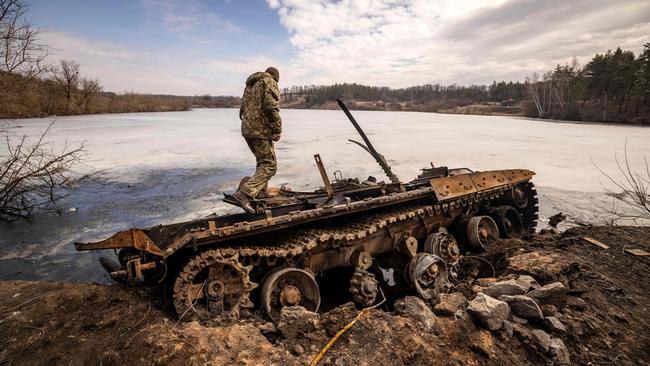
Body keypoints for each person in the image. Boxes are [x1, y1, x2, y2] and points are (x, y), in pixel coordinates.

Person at [231, 67, 282, 213]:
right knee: (270, 166)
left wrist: (249, 124)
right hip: (260, 130)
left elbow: (241, 111)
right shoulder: (269, 81)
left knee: (262, 162)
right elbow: (270, 106)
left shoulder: (250, 85)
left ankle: (260, 191)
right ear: (276, 77)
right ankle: (244, 194)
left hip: (247, 129)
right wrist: (277, 128)